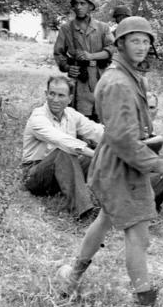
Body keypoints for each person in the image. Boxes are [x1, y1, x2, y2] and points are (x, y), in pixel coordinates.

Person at [56, 16, 163, 307]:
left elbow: (130, 130)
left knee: (105, 220)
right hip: (120, 165)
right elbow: (122, 138)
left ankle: (70, 279)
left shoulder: (129, 76)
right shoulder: (117, 83)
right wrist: (155, 162)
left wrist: (150, 145)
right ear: (120, 43)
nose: (141, 46)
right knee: (138, 235)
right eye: (135, 40)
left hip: (121, 162)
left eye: (146, 41)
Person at [22, 75, 103, 218]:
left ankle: (114, 204)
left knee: (96, 158)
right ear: (46, 94)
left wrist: (123, 140)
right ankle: (82, 211)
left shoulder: (71, 115)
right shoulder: (38, 117)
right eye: (52, 94)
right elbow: (62, 141)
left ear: (70, 99)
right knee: (65, 151)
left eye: (61, 95)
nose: (55, 99)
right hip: (35, 175)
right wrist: (96, 154)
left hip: (62, 173)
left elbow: (95, 130)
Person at [53, 0, 115, 121]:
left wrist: (91, 56)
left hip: (100, 76)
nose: (78, 7)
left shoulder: (103, 28)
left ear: (90, 6)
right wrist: (68, 67)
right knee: (78, 117)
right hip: (80, 78)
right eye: (76, 4)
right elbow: (59, 53)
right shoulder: (66, 28)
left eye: (82, 3)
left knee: (102, 115)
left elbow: (111, 49)